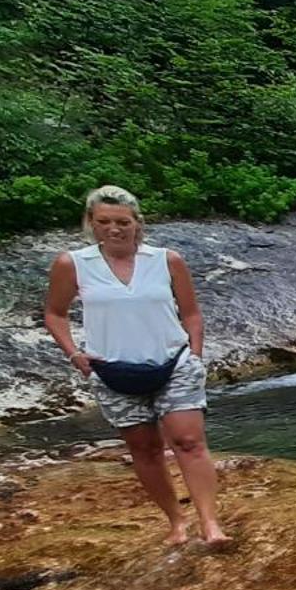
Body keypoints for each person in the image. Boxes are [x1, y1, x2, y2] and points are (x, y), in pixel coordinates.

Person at [44, 186, 229, 547]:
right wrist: (73, 353)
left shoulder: (166, 259)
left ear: (137, 223)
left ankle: (210, 524)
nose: (114, 229)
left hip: (173, 362)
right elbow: (54, 312)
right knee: (144, 448)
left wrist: (194, 353)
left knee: (188, 441)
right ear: (91, 223)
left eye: (122, 222)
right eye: (104, 222)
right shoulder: (74, 264)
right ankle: (176, 522)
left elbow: (191, 312)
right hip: (112, 370)